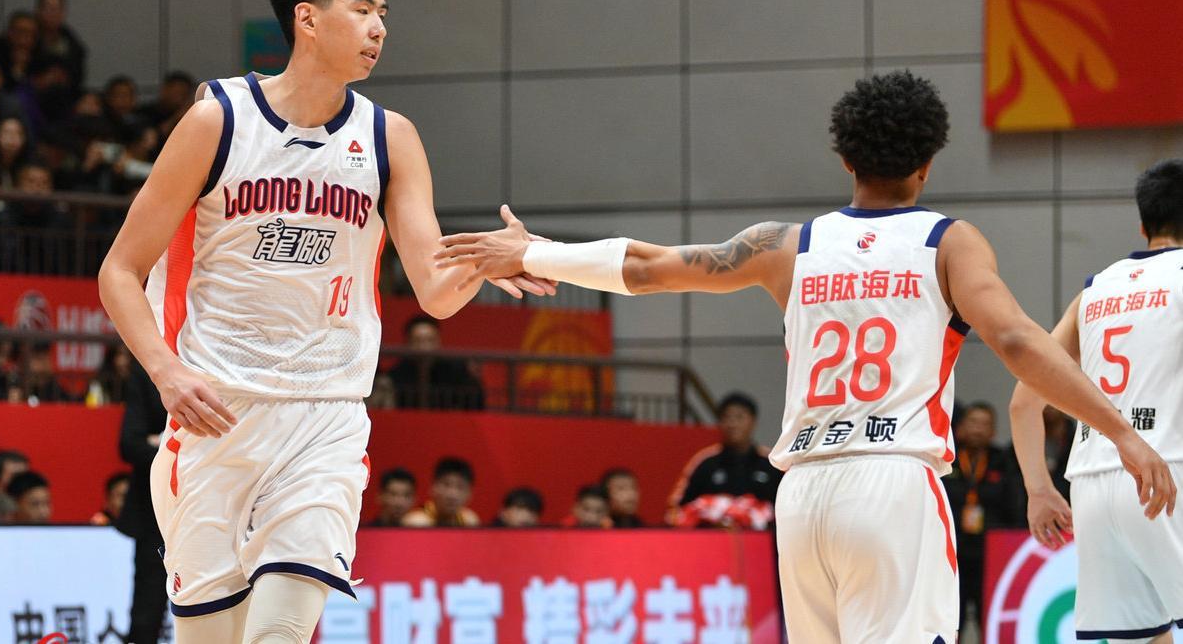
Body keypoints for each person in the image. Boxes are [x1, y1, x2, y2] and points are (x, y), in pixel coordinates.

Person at [435, 70, 1177, 643]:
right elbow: (1015, 340)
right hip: (892, 483)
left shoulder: (786, 245)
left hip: (802, 496)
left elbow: (650, 267)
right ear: (927, 162)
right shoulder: (946, 240)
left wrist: (533, 252)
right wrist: (1119, 431)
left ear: (843, 156)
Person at [97, 0, 549, 639]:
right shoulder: (219, 120)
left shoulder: (389, 137)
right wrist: (166, 372)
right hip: (218, 412)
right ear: (307, 19)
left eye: (383, 15)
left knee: (280, 632)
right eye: (362, 10)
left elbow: (434, 291)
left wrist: (489, 261)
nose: (379, 28)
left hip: (326, 414)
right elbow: (119, 271)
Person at [1009, 159, 1182, 643]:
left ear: (1143, 226)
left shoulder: (1095, 290)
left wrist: (1039, 489)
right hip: (1167, 470)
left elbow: (1023, 401)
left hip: (1092, 483)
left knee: (1142, 636)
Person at [942, 401, 1022, 633]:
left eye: (984, 424)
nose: (978, 429)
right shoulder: (947, 459)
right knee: (950, 617)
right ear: (961, 427)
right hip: (952, 552)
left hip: (990, 554)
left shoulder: (1003, 461)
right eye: (973, 422)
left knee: (989, 617)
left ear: (993, 431)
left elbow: (1014, 506)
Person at [665, 391, 780, 529]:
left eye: (739, 417)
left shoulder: (773, 462)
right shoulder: (705, 462)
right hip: (710, 539)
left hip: (764, 539)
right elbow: (676, 509)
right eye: (727, 417)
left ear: (753, 421)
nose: (732, 424)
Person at [118, 356, 170, 644]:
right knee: (146, 614)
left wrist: (160, 441)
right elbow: (130, 443)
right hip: (155, 513)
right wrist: (177, 448)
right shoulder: (149, 369)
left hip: (214, 504)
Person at [385, 314, 485, 409]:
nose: (424, 347)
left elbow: (475, 405)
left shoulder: (455, 372)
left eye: (429, 340)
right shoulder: (396, 375)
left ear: (438, 341)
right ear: (408, 343)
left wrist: (473, 381)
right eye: (418, 340)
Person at [402, 457, 481, 527]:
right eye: (446, 485)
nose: (452, 494)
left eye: (460, 487)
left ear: (470, 494)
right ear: (433, 487)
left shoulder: (469, 521)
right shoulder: (417, 522)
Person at [33, 0, 86, 89]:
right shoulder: (27, 37)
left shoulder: (73, 43)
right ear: (38, 11)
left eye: (57, 9)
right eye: (48, 8)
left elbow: (78, 77)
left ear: (63, 13)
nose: (53, 13)